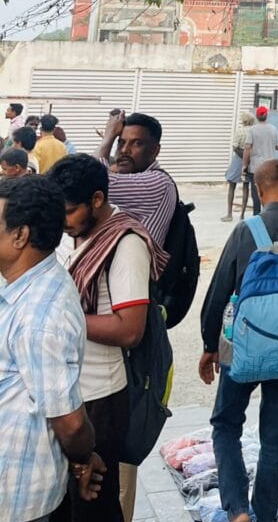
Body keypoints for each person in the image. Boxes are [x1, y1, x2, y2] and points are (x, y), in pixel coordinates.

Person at [199, 159, 278, 522]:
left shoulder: (245, 231)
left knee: (226, 425)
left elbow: (218, 291)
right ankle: (265, 513)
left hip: (239, 348)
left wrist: (209, 345)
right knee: (274, 434)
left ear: (258, 190)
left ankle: (238, 509)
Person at [50, 154, 168, 522]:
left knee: (94, 509)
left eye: (69, 211)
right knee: (63, 503)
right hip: (67, 390)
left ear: (97, 200)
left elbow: (130, 329)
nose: (62, 221)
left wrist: (59, 319)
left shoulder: (125, 243)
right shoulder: (72, 233)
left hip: (99, 398)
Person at [0, 174, 106, 522]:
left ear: (20, 235)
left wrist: (83, 456)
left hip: (15, 495)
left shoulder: (41, 315)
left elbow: (70, 424)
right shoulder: (23, 282)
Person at [94, 111, 176, 248]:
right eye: (120, 143)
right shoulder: (130, 178)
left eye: (137, 143)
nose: (124, 150)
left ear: (155, 150)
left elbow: (92, 181)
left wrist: (108, 137)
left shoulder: (158, 182)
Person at [240, 106, 278, 216]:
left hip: (256, 168)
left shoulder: (252, 130)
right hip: (270, 168)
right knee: (269, 192)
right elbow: (277, 146)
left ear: (257, 116)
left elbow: (247, 148)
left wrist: (244, 165)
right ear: (266, 115)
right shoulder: (273, 129)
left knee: (256, 194)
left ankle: (257, 215)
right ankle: (268, 216)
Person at [222, 111, 255, 222]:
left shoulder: (240, 131)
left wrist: (242, 156)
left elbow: (235, 147)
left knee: (232, 185)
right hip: (250, 159)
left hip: (238, 160)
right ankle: (242, 215)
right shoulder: (254, 131)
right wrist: (247, 158)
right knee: (246, 186)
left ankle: (229, 214)